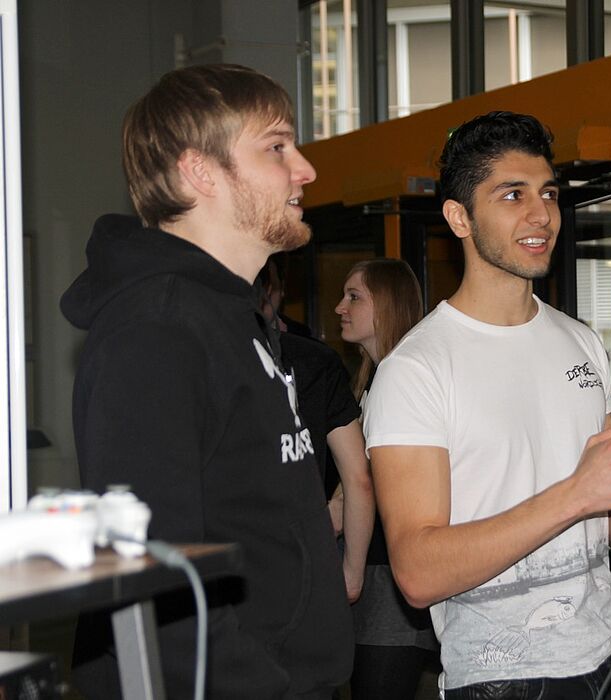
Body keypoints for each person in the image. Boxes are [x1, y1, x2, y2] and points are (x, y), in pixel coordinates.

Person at [363, 111, 611, 698]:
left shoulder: (580, 341)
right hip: (501, 677)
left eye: (548, 193)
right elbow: (418, 573)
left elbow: (605, 530)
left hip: (607, 661)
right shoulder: (416, 369)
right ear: (459, 218)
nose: (542, 214)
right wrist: (575, 491)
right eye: (512, 195)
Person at [60, 64, 354, 699]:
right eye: (277, 147)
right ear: (200, 172)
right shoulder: (156, 330)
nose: (304, 169)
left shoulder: (232, 317)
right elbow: (156, 580)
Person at [333, 259, 439, 700]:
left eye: (355, 297)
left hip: (391, 577)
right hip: (374, 572)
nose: (340, 307)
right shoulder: (369, 381)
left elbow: (364, 486)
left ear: (388, 305)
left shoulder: (407, 380)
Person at [255, 259, 374, 604]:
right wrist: (351, 574)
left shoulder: (317, 359)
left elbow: (361, 478)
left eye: (354, 297)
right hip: (309, 557)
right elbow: (359, 477)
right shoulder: (320, 361)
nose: (339, 308)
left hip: (238, 569)